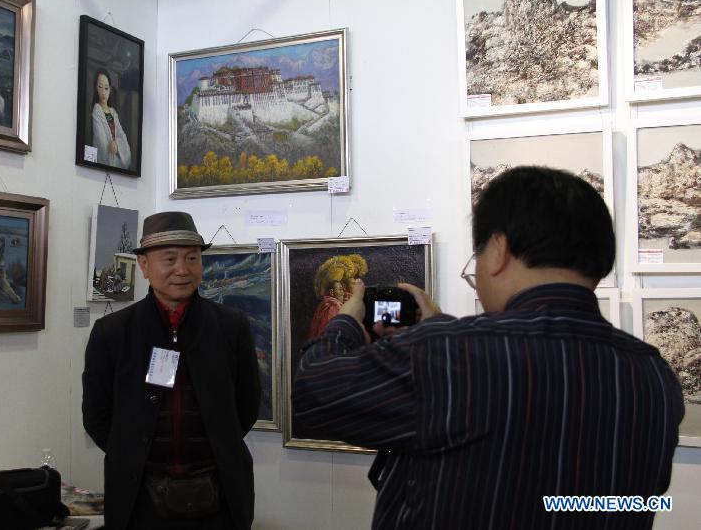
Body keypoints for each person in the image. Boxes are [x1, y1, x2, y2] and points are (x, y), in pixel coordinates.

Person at [293, 166, 684, 529]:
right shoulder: (654, 375)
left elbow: (312, 392)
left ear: (498, 249)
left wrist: (345, 321)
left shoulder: (452, 353)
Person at [83, 211, 260, 530]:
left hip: (218, 496)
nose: (183, 270)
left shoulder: (231, 326)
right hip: (140, 499)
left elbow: (246, 407)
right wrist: (133, 452)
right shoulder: (112, 332)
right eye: (170, 259)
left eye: (192, 258)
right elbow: (96, 415)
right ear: (144, 266)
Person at [91, 68, 132, 169]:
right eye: (100, 87)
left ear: (110, 89)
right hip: (105, 160)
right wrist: (112, 147)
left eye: (106, 88)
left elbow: (122, 136)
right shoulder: (97, 111)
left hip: (117, 157)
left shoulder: (113, 112)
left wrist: (117, 145)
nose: (103, 92)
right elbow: (101, 142)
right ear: (96, 88)